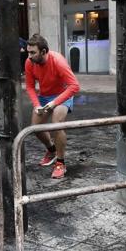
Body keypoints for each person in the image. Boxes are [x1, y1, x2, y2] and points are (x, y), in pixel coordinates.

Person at [24, 33, 80, 179]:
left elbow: (74, 86)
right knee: (35, 128)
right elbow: (29, 87)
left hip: (62, 94)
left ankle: (61, 163)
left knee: (56, 124)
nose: (29, 56)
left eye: (32, 52)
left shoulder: (58, 61)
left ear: (43, 51)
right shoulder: (30, 63)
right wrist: (36, 105)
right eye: (28, 52)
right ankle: (52, 149)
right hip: (44, 96)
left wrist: (55, 103)